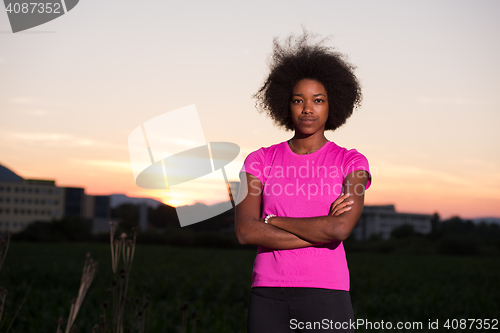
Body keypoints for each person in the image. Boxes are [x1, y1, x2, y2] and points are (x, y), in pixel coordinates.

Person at [235, 31, 372, 333]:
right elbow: (245, 230)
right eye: (298, 100)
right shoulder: (257, 161)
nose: (308, 108)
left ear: (331, 104)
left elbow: (340, 227)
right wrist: (322, 232)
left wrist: (271, 221)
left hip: (328, 294)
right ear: (286, 105)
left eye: (318, 100)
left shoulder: (353, 164)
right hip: (268, 295)